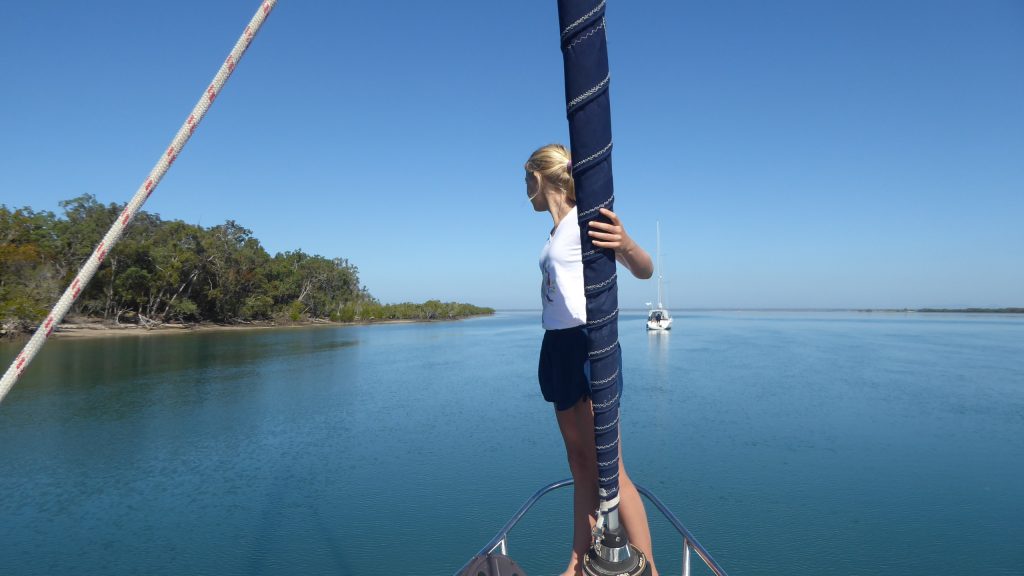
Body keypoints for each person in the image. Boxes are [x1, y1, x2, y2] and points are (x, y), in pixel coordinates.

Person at [525, 144, 659, 576]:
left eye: (526, 180)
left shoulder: (587, 223)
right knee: (578, 463)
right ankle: (576, 563)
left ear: (541, 177)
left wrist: (627, 243)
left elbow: (645, 269)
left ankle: (652, 568)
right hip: (557, 347)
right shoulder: (555, 232)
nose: (524, 190)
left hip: (588, 346)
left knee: (610, 469)